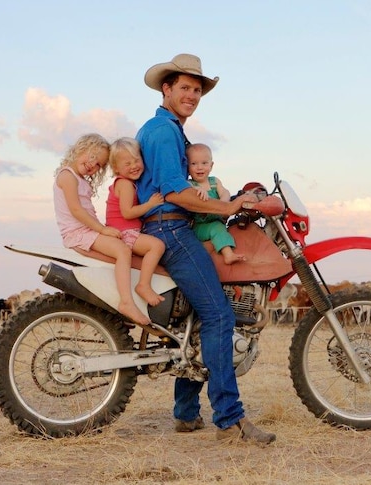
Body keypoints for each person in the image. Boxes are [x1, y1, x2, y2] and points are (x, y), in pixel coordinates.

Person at [135, 53, 276, 445]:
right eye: (185, 87)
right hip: (172, 230)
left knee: (196, 318)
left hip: (170, 228)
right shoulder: (164, 132)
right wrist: (227, 207)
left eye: (197, 90)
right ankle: (230, 420)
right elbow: (177, 193)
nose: (192, 95)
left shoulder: (171, 131)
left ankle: (186, 413)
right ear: (167, 88)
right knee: (219, 316)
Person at [53, 133, 151, 325]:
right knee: (123, 250)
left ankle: (112, 303)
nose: (93, 165)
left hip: (88, 231)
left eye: (98, 164)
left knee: (121, 252)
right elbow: (76, 210)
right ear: (80, 148)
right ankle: (126, 303)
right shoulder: (67, 176)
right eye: (92, 157)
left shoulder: (80, 180)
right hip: (78, 233)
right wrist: (102, 230)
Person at [105, 137, 167, 306]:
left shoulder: (128, 183)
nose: (134, 166)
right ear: (116, 168)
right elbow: (127, 213)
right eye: (127, 164)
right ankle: (144, 285)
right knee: (157, 246)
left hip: (126, 231)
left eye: (136, 160)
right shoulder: (125, 184)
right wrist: (150, 204)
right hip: (125, 233)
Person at [186, 142, 245, 264]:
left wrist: (223, 203)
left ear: (211, 165)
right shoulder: (190, 184)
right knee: (217, 228)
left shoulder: (215, 182)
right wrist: (198, 190)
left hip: (218, 220)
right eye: (194, 163)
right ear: (187, 166)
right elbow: (189, 195)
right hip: (200, 225)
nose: (199, 167)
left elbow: (225, 192)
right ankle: (228, 255)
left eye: (204, 163)